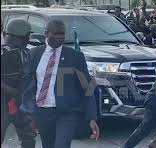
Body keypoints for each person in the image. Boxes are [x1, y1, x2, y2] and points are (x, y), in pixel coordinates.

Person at [22, 20, 100, 148]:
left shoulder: (75, 56)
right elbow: (28, 86)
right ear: (46, 34)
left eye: (62, 34)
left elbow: (88, 87)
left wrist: (91, 117)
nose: (60, 37)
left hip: (67, 113)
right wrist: (29, 113)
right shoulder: (34, 54)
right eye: (56, 34)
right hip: (43, 112)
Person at [1, 19, 36, 148]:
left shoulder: (26, 52)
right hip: (3, 100)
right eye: (26, 36)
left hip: (21, 100)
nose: (28, 39)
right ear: (17, 36)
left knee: (28, 137)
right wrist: (13, 91)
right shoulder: (3, 53)